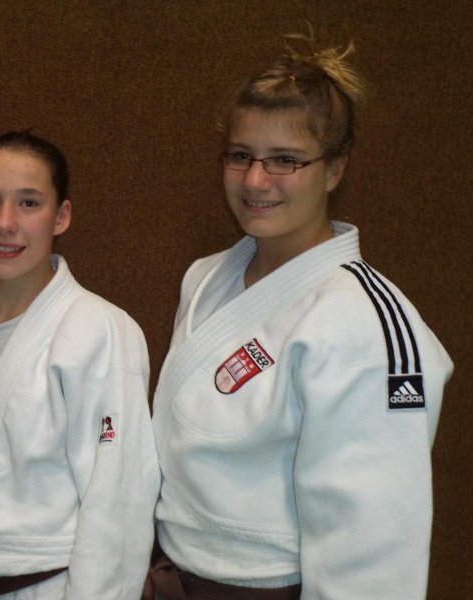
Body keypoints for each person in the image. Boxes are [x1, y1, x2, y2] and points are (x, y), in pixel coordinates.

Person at [150, 32, 454, 599]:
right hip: (174, 574)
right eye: (240, 155)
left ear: (334, 168)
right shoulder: (206, 279)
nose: (255, 180)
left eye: (284, 160)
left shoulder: (364, 324)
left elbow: (372, 547)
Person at [0, 131, 160, 599]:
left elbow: (117, 503)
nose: (4, 223)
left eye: (28, 203)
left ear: (61, 216)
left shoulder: (100, 331)